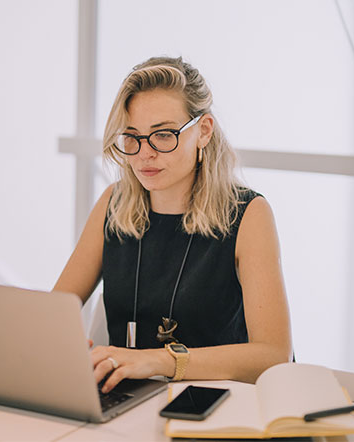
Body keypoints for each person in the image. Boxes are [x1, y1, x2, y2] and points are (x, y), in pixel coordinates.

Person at [53, 56, 292, 393]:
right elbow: (52, 313)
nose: (144, 154)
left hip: (218, 405)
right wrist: (60, 345)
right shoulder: (114, 203)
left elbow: (273, 356)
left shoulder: (248, 214)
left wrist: (160, 360)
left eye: (163, 135)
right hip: (127, 400)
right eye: (132, 136)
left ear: (204, 131)